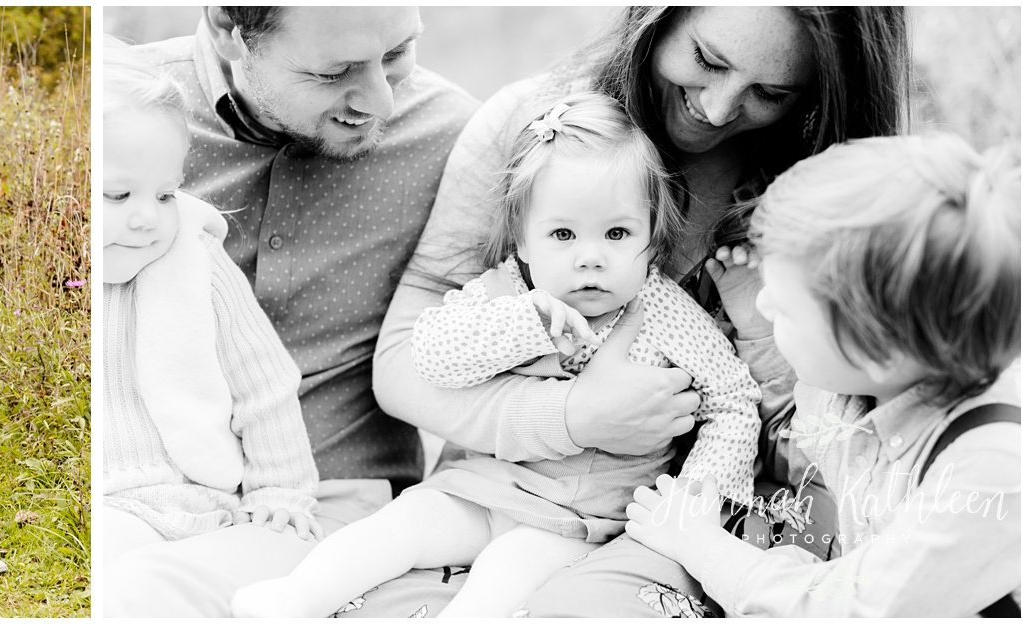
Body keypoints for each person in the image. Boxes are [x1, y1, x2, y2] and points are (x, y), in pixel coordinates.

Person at [367, 6, 910, 617]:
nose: (718, 107)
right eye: (707, 60)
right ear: (658, 18)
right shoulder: (538, 136)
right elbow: (405, 361)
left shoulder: (814, 191)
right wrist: (571, 416)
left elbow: (831, 428)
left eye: (770, 92)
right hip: (503, 491)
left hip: (694, 537)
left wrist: (697, 505)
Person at [234, 92, 761, 618]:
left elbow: (732, 397)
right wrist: (523, 325)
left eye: (618, 233)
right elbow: (434, 355)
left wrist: (692, 499)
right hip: (485, 488)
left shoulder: (662, 309)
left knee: (507, 571)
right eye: (563, 234)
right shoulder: (508, 292)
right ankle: (294, 598)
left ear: (652, 237)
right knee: (401, 525)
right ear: (524, 243)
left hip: (582, 517)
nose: (591, 257)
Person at [106, 7, 476, 616]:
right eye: (335, 73)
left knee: (142, 588)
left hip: (338, 513)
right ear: (230, 29)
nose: (380, 102)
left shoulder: (452, 139)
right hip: (145, 494)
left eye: (397, 55)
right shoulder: (126, 117)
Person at [625, 134, 1020, 616]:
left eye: (785, 309)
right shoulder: (863, 385)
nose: (767, 302)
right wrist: (758, 334)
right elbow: (798, 447)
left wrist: (700, 544)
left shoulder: (990, 472)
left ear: (875, 347)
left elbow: (848, 609)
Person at [98, 42, 322, 577]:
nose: (147, 218)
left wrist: (282, 492)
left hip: (184, 498)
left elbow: (263, 386)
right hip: (95, 492)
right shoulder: (60, 273)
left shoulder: (194, 262)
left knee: (118, 562)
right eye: (118, 196)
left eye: (166, 194)